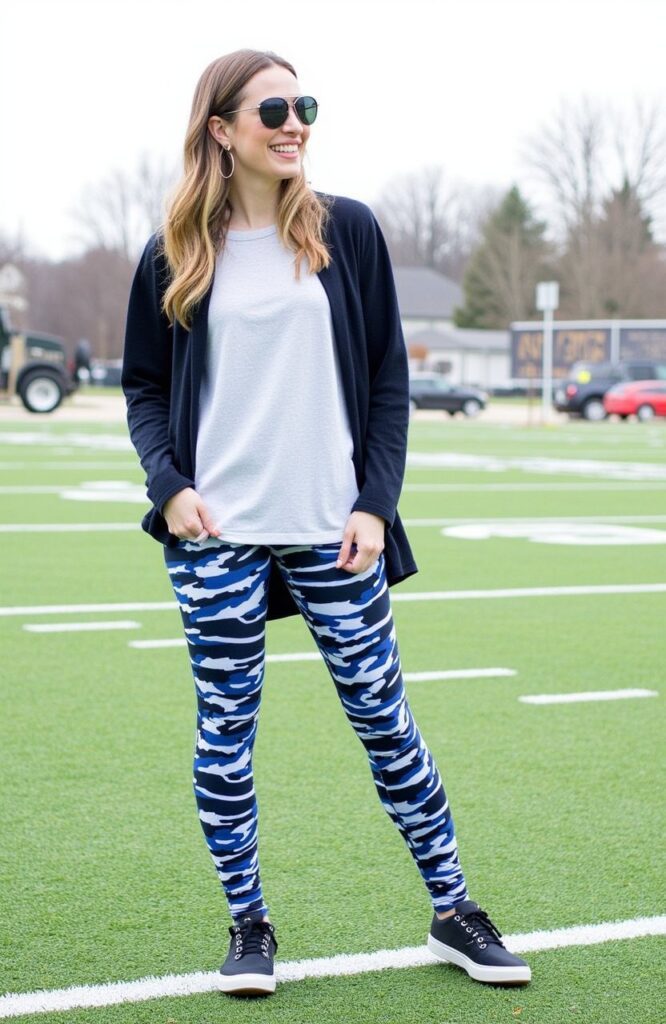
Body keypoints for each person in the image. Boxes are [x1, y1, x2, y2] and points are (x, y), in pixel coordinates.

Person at [121, 48, 531, 997]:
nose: (295, 121)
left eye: (304, 105)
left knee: (387, 725)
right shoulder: (174, 251)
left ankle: (455, 910)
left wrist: (375, 504)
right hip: (215, 535)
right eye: (273, 108)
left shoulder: (346, 231)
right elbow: (144, 387)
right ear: (222, 129)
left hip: (334, 530)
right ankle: (248, 926)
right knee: (225, 738)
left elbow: (390, 380)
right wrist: (169, 485)